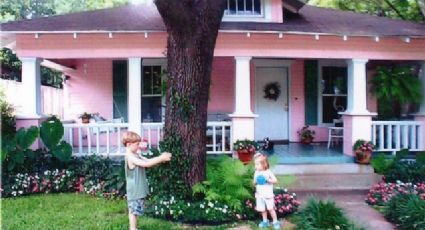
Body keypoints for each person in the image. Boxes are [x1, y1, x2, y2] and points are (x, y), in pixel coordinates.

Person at [122, 131, 172, 230]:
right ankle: (132, 228)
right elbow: (146, 165)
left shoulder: (136, 154)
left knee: (135, 211)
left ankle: (134, 228)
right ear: (128, 144)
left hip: (137, 189)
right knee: (133, 212)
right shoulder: (130, 157)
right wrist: (161, 158)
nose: (139, 146)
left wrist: (161, 158)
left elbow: (148, 161)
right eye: (137, 144)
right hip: (134, 190)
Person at [253, 153, 280, 229]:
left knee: (270, 208)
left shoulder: (268, 172)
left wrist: (268, 180)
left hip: (268, 195)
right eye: (255, 164)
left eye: (257, 164)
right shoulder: (256, 172)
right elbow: (254, 182)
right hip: (260, 195)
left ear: (264, 164)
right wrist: (256, 181)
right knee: (262, 209)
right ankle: (265, 221)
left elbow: (275, 181)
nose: (256, 166)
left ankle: (275, 221)